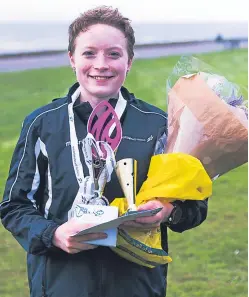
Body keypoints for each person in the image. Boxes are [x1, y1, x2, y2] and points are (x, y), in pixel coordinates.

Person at [0, 6, 208, 297]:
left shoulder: (159, 125)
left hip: (136, 284)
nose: (101, 64)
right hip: (61, 282)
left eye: (113, 54)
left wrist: (168, 211)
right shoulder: (42, 123)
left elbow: (195, 208)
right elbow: (14, 206)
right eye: (89, 53)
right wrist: (54, 235)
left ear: (129, 61)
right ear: (72, 58)